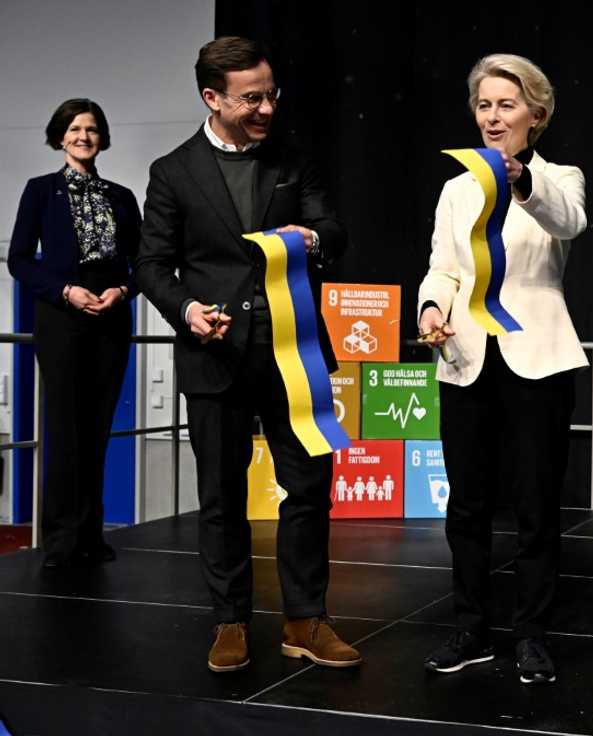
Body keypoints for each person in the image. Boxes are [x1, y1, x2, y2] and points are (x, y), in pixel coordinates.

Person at [134, 36, 360, 673]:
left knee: (310, 488)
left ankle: (305, 620)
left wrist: (312, 236)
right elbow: (151, 264)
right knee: (222, 497)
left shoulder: (293, 157)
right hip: (216, 357)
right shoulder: (172, 172)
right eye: (251, 98)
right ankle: (230, 621)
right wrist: (185, 309)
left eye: (271, 94)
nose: (266, 107)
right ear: (212, 98)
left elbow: (335, 231)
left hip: (295, 354)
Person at [417, 53, 587, 685]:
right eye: (484, 105)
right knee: (467, 505)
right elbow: (442, 265)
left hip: (537, 358)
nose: (492, 116)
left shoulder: (559, 177)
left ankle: (533, 634)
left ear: (535, 116)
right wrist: (432, 306)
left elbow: (567, 221)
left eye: (506, 105)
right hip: (466, 357)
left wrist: (519, 181)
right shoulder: (456, 188)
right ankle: (470, 627)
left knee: (537, 505)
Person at [8, 99, 140, 570]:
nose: (84, 135)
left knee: (98, 429)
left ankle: (90, 534)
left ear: (102, 137)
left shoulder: (121, 196)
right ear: (60, 137)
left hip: (111, 319)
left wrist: (122, 291)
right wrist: (67, 291)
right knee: (65, 429)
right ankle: (60, 541)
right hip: (62, 319)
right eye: (74, 128)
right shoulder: (40, 191)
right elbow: (20, 259)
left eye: (92, 129)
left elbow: (143, 264)